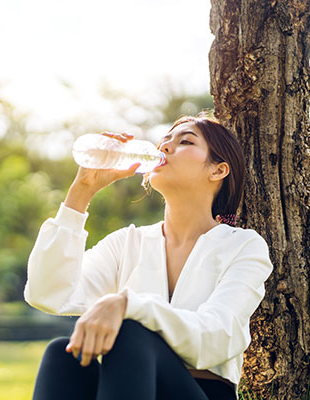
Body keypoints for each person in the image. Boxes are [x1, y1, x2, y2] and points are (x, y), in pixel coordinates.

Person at [24, 115, 274, 400]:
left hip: (202, 392)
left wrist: (128, 305)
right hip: (128, 386)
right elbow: (48, 293)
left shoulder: (243, 246)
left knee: (131, 334)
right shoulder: (127, 242)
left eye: (185, 141)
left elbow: (216, 338)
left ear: (218, 170)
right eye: (165, 140)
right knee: (63, 354)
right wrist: (81, 192)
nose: (165, 147)